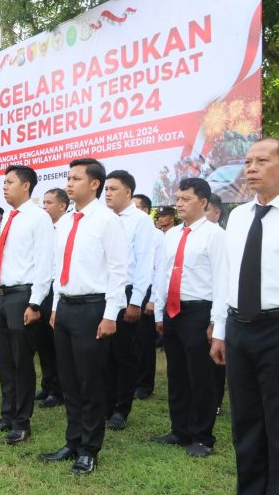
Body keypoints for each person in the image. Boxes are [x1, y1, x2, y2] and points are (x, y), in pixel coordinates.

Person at [39, 158, 127, 475]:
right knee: (69, 380)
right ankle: (73, 440)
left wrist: (110, 314)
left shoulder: (107, 221)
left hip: (93, 308)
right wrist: (54, 308)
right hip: (64, 307)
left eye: (76, 178)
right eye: (68, 177)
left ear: (94, 184)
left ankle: (89, 449)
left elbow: (118, 270)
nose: (69, 183)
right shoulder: (65, 222)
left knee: (90, 381)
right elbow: (56, 268)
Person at [212, 137, 279, 493]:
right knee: (246, 419)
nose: (251, 168)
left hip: (275, 328)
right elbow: (226, 276)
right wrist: (221, 331)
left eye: (262, 161)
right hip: (239, 329)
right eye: (248, 162)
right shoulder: (238, 217)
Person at [0, 166, 54, 443]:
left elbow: (45, 263)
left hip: (24, 295)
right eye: (4, 182)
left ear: (25, 186)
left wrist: (35, 304)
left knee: (21, 361)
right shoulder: (10, 217)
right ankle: (7, 415)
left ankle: (22, 422)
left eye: (9, 182)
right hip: (3, 295)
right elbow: (5, 261)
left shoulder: (38, 218)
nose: (4, 187)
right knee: (4, 359)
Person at [152, 178, 226, 458]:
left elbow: (222, 280)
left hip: (199, 311)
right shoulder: (172, 235)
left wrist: (216, 322)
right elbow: (162, 275)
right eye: (177, 199)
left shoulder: (215, 235)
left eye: (186, 199)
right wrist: (159, 312)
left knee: (201, 375)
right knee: (177, 372)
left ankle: (202, 436)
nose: (179, 204)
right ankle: (179, 429)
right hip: (173, 310)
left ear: (203, 202)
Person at [103, 170, 154, 431]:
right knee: (105, 353)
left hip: (128, 292)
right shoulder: (103, 218)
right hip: (104, 292)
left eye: (113, 189)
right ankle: (106, 403)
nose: (107, 193)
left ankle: (121, 409)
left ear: (128, 192)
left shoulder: (140, 221)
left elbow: (144, 263)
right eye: (106, 189)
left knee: (124, 354)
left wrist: (135, 301)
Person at [37, 188, 68, 408]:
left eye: (49, 203)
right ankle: (47, 384)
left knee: (57, 343)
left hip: (60, 290)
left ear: (62, 206)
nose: (45, 207)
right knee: (43, 341)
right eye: (44, 202)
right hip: (43, 288)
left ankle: (58, 390)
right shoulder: (45, 228)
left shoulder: (67, 227)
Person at [132, 193, 164, 401]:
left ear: (145, 210)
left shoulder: (157, 236)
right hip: (129, 290)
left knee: (144, 342)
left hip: (147, 292)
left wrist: (153, 299)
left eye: (135, 207)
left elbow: (159, 270)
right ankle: (130, 380)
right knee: (129, 341)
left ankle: (144, 384)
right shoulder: (126, 230)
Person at [205, 192, 226, 415]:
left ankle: (216, 400)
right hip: (195, 305)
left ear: (217, 212)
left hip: (216, 304)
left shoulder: (221, 237)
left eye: (206, 210)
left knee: (216, 354)